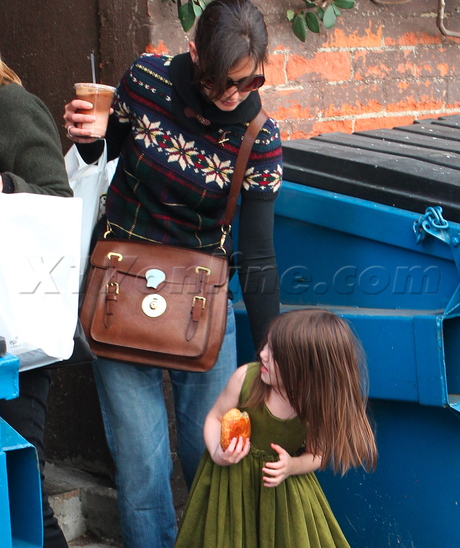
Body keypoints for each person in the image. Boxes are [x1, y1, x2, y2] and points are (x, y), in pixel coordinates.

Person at [63, 0, 282, 546]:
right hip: (118, 292)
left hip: (202, 307)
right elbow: (106, 152)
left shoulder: (259, 137)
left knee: (214, 455)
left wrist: (274, 347)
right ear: (194, 54)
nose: (236, 94)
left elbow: (258, 254)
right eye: (223, 82)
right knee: (142, 467)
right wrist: (90, 139)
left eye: (251, 80)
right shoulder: (145, 81)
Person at [174, 308, 378, 548]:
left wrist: (292, 466)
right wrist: (218, 453)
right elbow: (215, 418)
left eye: (274, 353)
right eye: (266, 345)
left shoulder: (315, 408)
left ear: (305, 368)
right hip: (230, 489)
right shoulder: (245, 379)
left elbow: (318, 455)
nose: (262, 354)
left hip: (280, 496)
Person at [0, 57, 72, 548]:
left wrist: (5, 187)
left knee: (20, 490)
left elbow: (58, 205)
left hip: (15, 339)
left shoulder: (10, 105)